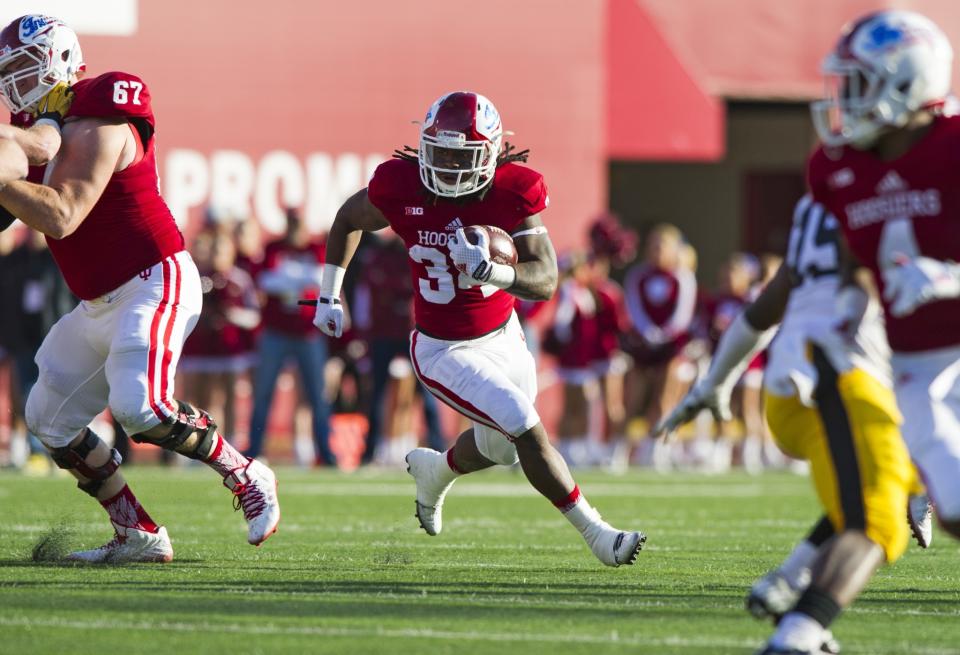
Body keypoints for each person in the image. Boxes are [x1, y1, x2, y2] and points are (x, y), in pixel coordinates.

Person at [313, 91, 644, 566]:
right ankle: (598, 533)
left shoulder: (512, 192)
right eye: (439, 152)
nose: (447, 166)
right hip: (442, 349)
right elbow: (349, 218)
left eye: (459, 155)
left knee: (502, 449)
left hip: (504, 337)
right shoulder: (401, 186)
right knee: (524, 427)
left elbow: (546, 279)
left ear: (490, 153)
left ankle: (437, 473)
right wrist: (329, 293)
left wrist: (493, 273)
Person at [0, 14, 279, 563]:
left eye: (25, 67)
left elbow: (61, 216)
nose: (15, 82)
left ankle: (244, 471)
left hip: (154, 280)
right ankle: (138, 532)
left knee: (139, 406)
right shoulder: (38, 134)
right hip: (98, 302)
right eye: (6, 72)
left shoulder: (102, 113)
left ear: (60, 60)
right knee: (48, 420)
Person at [657, 195, 931, 655]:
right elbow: (868, 276)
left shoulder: (827, 195)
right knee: (879, 525)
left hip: (799, 388)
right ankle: (796, 636)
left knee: (890, 476)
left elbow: (769, 303)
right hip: (837, 378)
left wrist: (715, 381)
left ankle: (788, 581)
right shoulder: (897, 190)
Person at [245, 206, 335, 465]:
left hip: (308, 332)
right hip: (275, 331)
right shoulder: (274, 248)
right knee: (263, 392)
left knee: (317, 395)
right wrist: (299, 281)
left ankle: (325, 452)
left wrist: (286, 280)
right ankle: (254, 449)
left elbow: (321, 280)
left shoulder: (316, 249)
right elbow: (264, 281)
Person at [353, 230, 445, 464]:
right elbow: (367, 294)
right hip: (384, 332)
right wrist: (364, 332)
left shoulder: (417, 256)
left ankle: (438, 446)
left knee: (427, 392)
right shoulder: (378, 257)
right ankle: (369, 450)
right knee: (376, 394)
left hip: (412, 332)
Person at [622, 224, 698, 468]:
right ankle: (621, 449)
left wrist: (664, 335)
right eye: (652, 245)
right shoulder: (638, 275)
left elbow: (683, 314)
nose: (656, 250)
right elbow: (633, 307)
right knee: (632, 398)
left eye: (662, 246)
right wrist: (647, 333)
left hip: (671, 346)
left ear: (675, 249)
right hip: (643, 345)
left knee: (665, 398)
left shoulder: (683, 276)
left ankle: (659, 449)